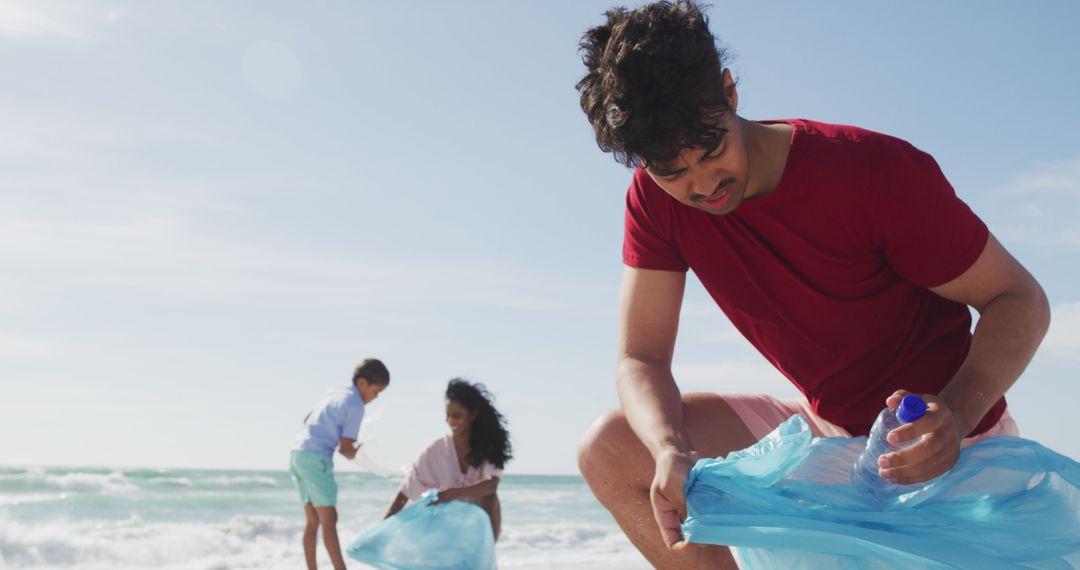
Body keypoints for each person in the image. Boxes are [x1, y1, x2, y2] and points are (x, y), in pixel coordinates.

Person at [573, 2, 1051, 569]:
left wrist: (955, 414)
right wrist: (669, 449)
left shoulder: (872, 172)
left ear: (729, 93)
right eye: (672, 172)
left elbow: (1020, 299)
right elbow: (640, 357)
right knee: (611, 448)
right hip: (825, 434)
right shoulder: (654, 202)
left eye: (712, 150)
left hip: (948, 443)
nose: (704, 186)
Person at [290, 358, 390, 570]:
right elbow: (345, 448)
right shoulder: (356, 406)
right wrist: (356, 453)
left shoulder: (335, 391)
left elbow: (307, 417)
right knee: (329, 520)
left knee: (312, 522)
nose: (375, 397)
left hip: (298, 453)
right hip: (316, 458)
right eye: (376, 391)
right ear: (362, 383)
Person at [383, 379, 512, 539]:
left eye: (457, 416)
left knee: (491, 499)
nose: (450, 421)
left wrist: (452, 493)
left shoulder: (488, 447)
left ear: (473, 415)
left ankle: (485, 552)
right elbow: (406, 490)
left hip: (476, 528)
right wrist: (382, 530)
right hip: (444, 527)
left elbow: (491, 486)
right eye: (448, 415)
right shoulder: (436, 450)